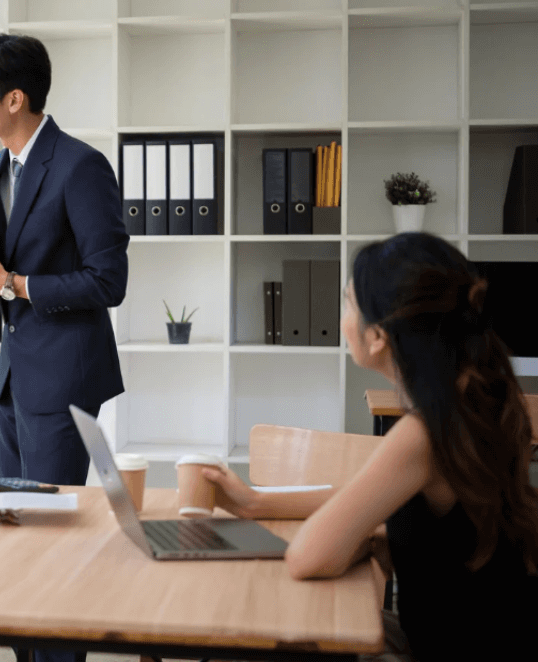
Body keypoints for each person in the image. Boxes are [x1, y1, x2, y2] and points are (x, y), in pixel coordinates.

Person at [204, 233, 538, 660]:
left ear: (378, 335)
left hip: (443, 647)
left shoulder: (423, 434)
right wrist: (253, 502)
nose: (341, 317)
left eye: (347, 302)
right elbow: (364, 496)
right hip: (488, 637)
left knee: (257, 634)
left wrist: (359, 534)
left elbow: (307, 557)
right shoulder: (471, 400)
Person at [0, 34, 129, 487]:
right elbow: (16, 253)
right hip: (14, 375)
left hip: (64, 376)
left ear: (14, 99)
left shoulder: (81, 166)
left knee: (48, 517)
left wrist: (10, 283)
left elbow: (108, 281)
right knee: (10, 512)